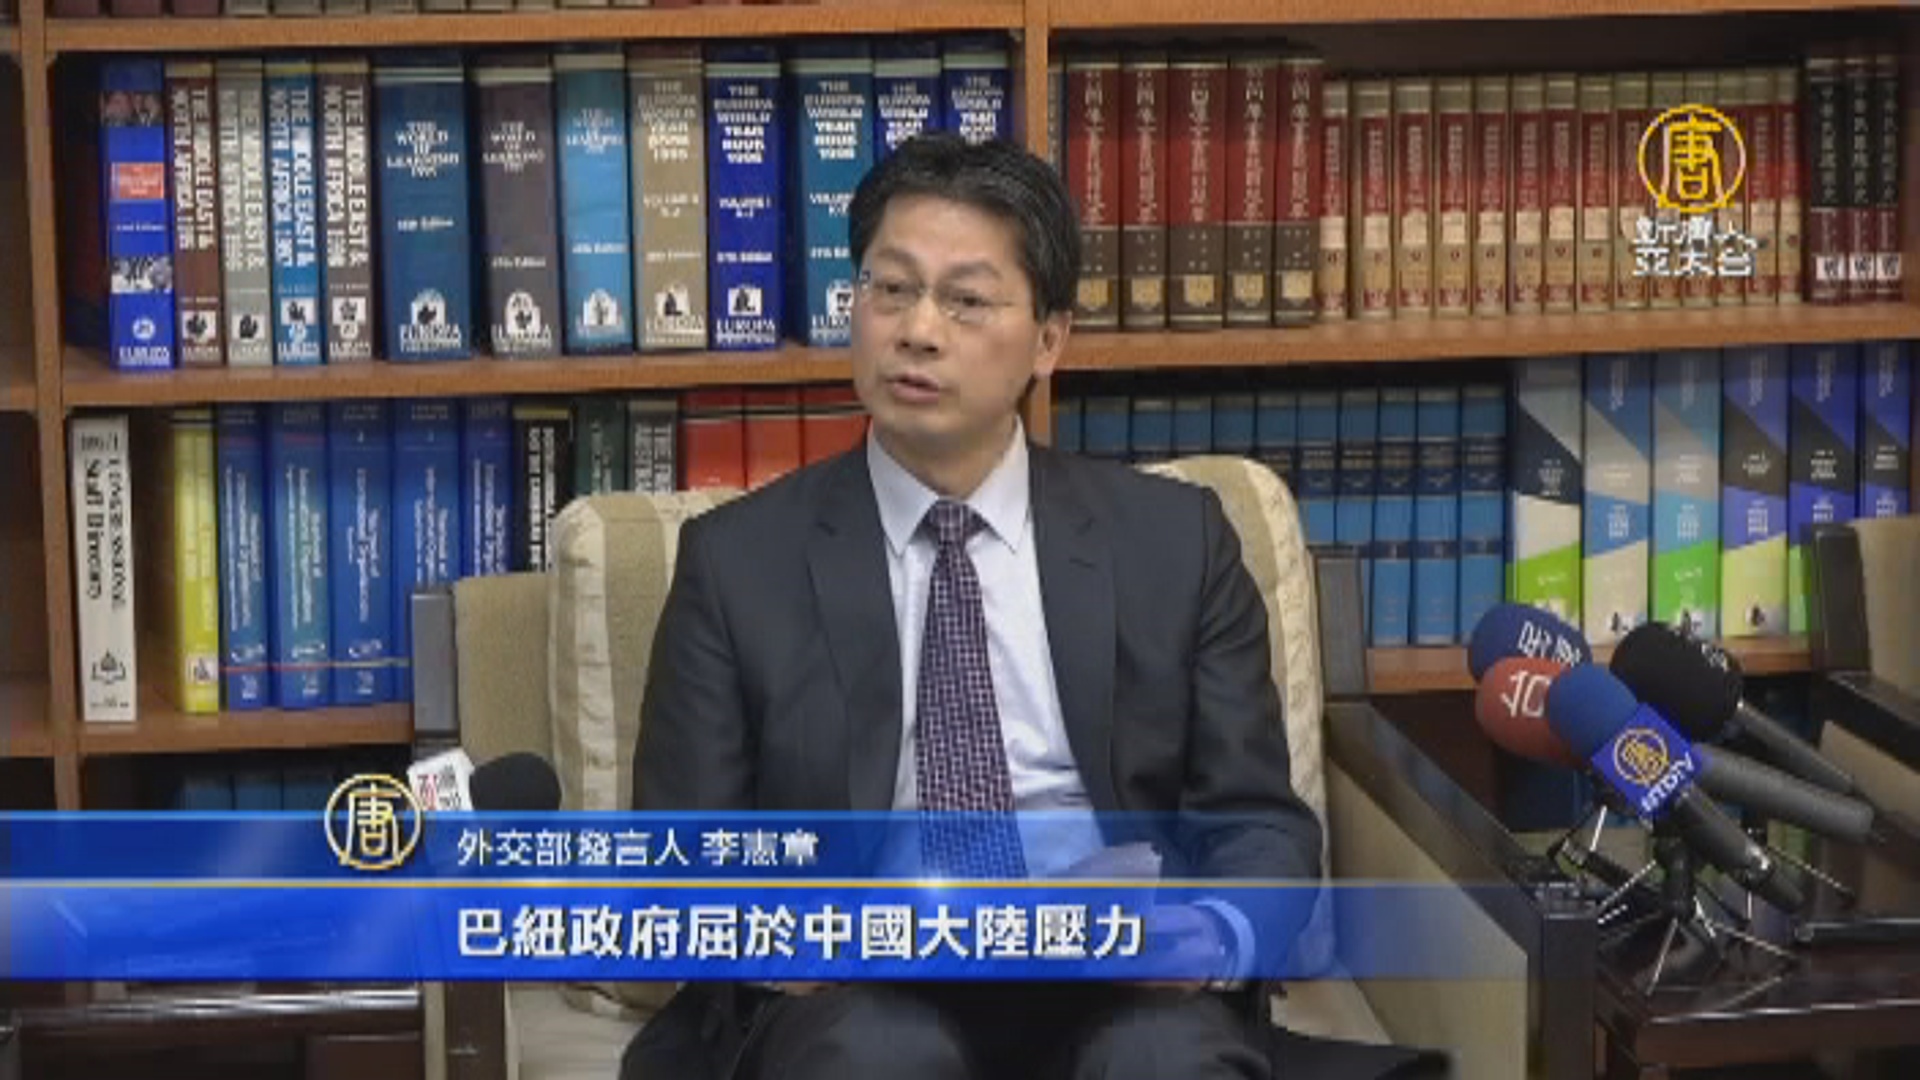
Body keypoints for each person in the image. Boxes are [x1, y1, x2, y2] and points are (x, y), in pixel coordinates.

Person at [623, 132, 1322, 1080]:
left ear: (1048, 340)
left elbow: (1261, 822)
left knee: (1165, 1060)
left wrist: (1209, 934)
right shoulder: (738, 561)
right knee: (877, 1058)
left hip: (1119, 985)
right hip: (858, 1000)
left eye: (966, 300)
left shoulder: (1174, 541)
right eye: (891, 288)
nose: (918, 329)